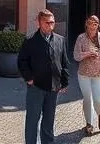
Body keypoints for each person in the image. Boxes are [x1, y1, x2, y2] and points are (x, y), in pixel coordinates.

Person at [19, 9, 69, 144]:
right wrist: (29, 78)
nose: (50, 25)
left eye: (52, 23)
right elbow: (22, 61)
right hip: (36, 86)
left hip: (53, 87)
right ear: (39, 23)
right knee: (32, 120)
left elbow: (64, 62)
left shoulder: (60, 40)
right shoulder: (30, 41)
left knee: (49, 119)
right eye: (46, 23)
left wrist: (64, 82)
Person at [73, 14, 100, 136]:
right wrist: (87, 54)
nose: (92, 26)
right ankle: (89, 124)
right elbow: (76, 55)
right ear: (86, 24)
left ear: (98, 25)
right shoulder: (81, 38)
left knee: (97, 99)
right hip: (84, 73)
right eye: (90, 23)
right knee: (87, 98)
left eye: (95, 24)